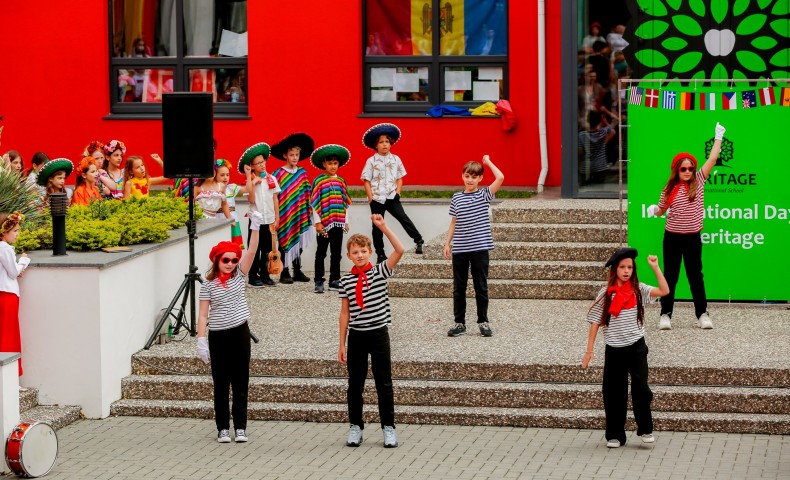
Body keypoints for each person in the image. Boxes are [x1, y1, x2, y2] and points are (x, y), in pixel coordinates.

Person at [581, 248, 669, 448]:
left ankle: (645, 429)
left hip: (636, 348)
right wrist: (589, 350)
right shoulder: (606, 294)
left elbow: (664, 291)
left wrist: (655, 267)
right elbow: (595, 322)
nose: (626, 271)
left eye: (630, 267)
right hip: (614, 350)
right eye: (622, 267)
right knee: (613, 393)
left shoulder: (639, 290)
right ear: (615, 269)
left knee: (641, 389)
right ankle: (615, 434)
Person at [647, 123, 726, 331]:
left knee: (695, 276)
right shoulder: (669, 188)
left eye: (691, 168)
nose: (688, 171)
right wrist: (654, 210)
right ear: (677, 170)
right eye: (684, 168)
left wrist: (718, 136)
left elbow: (712, 159)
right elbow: (661, 211)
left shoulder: (699, 180)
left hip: (692, 237)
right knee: (670, 276)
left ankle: (702, 314)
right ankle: (665, 314)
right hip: (672, 237)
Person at [196, 207, 264, 444]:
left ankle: (241, 428)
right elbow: (203, 315)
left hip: (240, 333)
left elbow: (252, 250)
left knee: (241, 381)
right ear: (217, 260)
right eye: (226, 260)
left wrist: (255, 226)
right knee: (221, 384)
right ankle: (223, 428)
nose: (231, 264)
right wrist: (201, 340)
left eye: (234, 260)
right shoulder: (208, 285)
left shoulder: (239, 276)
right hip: (218, 336)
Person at [338, 214, 405, 448]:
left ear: (370, 253)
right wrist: (342, 343)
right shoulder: (346, 281)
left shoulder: (380, 272)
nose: (359, 255)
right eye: (355, 252)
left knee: (383, 382)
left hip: (378, 334)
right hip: (357, 336)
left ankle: (388, 427)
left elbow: (400, 250)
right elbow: (344, 313)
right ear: (349, 256)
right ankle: (356, 426)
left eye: (363, 251)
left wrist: (383, 227)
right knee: (355, 384)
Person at [443, 155, 505, 338]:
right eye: (467, 176)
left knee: (481, 287)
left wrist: (488, 162)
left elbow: (500, 177)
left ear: (480, 178)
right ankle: (459, 323)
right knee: (459, 288)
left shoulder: (484, 195)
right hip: (460, 249)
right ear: (462, 176)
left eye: (474, 177)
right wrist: (447, 243)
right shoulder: (456, 198)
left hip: (480, 249)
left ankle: (483, 322)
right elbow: (454, 222)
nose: (470, 180)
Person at [360, 123, 424, 264]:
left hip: (391, 196)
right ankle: (380, 254)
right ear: (376, 145)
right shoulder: (371, 161)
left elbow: (400, 177)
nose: (384, 144)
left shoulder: (396, 159)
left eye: (387, 142)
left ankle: (418, 240)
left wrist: (397, 193)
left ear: (391, 143)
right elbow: (366, 180)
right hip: (377, 198)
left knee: (403, 218)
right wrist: (371, 198)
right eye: (381, 142)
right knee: (377, 227)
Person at [271, 133, 315, 284]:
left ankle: (297, 270)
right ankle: (284, 271)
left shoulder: (302, 173)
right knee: (285, 239)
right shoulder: (278, 174)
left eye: (297, 155)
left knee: (299, 240)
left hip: (300, 213)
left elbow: (307, 192)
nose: (295, 158)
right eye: (292, 155)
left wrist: (309, 211)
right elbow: (274, 195)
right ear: (285, 156)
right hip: (285, 214)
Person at [309, 144, 352, 294]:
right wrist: (317, 222)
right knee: (321, 252)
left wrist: (346, 221)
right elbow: (315, 203)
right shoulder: (319, 181)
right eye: (330, 163)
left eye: (335, 163)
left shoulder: (341, 181)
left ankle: (335, 280)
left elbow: (344, 203)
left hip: (338, 223)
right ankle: (319, 280)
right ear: (324, 164)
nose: (333, 166)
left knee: (336, 252)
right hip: (324, 223)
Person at [238, 143, 280, 287]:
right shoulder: (250, 182)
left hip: (269, 219)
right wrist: (251, 180)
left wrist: (277, 218)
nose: (262, 165)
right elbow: (251, 200)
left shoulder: (272, 179)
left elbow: (275, 199)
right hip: (256, 220)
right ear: (252, 166)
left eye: (263, 161)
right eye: (258, 163)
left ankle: (265, 275)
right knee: (254, 249)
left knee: (268, 249)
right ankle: (252, 276)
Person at [0, 212, 30, 376]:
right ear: (4, 231)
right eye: (15, 231)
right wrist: (23, 261)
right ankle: (11, 376)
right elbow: (12, 273)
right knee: (9, 334)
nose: (17, 234)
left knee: (3, 333)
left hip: (3, 294)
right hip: (7, 295)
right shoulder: (5, 248)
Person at [578, 111, 614, 185]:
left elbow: (580, 153)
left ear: (587, 120)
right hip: (600, 167)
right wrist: (605, 121)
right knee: (599, 188)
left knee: (585, 189)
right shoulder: (602, 132)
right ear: (599, 121)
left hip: (586, 167)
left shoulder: (581, 135)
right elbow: (613, 131)